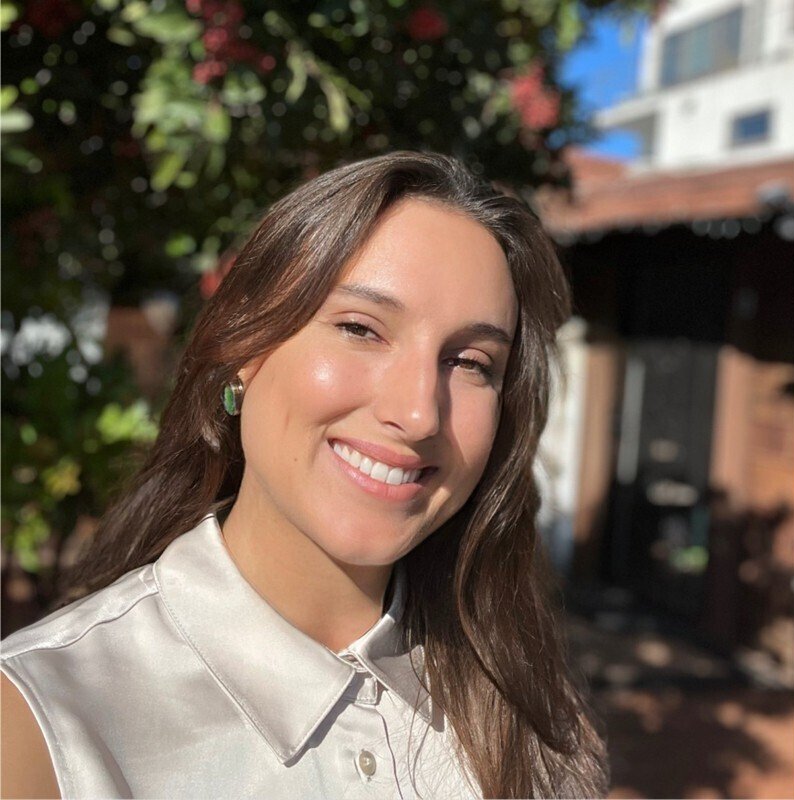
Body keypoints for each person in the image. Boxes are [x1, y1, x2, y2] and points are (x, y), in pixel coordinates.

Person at [1, 151, 608, 799]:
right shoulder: (46, 727)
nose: (416, 412)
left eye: (470, 362)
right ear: (245, 348)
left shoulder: (540, 733)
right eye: (360, 328)